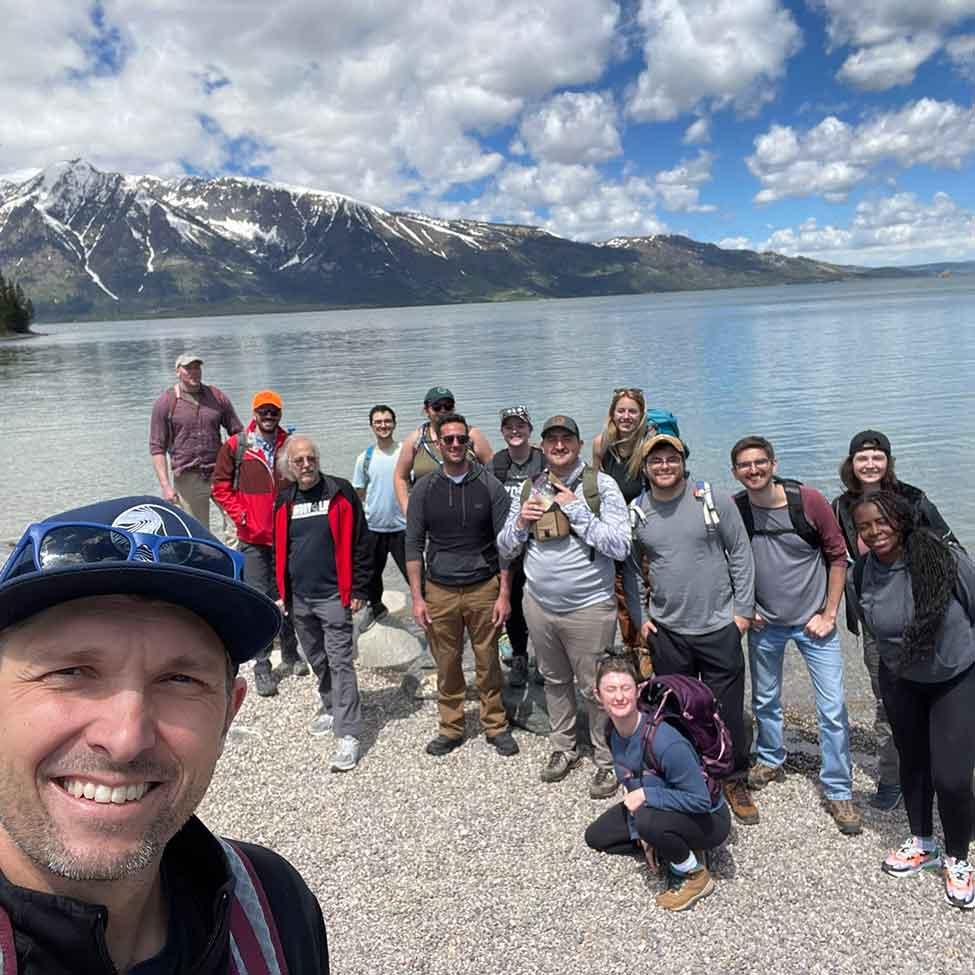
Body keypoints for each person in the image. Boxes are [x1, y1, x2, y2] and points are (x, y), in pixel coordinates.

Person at [0, 496, 329, 972]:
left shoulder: (273, 908)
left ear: (226, 716)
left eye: (180, 681)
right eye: (72, 672)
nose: (125, 738)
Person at [730, 436, 861, 835]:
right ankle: (770, 757)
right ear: (735, 471)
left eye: (760, 462)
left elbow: (838, 556)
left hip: (812, 624)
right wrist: (744, 607)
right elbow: (729, 559)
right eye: (745, 465)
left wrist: (830, 612)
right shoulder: (737, 509)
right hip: (765, 623)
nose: (753, 470)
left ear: (773, 463)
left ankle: (838, 788)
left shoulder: (809, 501)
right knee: (766, 699)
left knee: (833, 708)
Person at [852, 490, 975, 910]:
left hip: (954, 675)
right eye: (865, 526)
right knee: (914, 764)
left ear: (900, 520)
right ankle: (923, 841)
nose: (874, 532)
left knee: (954, 777)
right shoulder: (863, 570)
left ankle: (959, 856)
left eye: (881, 522)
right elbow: (868, 624)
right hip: (900, 678)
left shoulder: (943, 558)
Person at [497, 415, 630, 798]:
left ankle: (607, 760)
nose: (558, 446)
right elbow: (505, 548)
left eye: (565, 439)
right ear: (543, 445)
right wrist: (521, 522)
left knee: (595, 688)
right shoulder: (529, 488)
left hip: (589, 606)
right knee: (554, 681)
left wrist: (577, 512)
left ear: (577, 443)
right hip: (538, 605)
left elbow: (620, 545)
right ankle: (564, 748)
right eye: (552, 439)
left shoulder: (600, 486)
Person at [631, 434, 760, 825]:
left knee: (726, 711)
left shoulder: (711, 499)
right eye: (656, 461)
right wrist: (642, 621)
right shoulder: (637, 510)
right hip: (668, 630)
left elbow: (739, 552)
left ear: (684, 462)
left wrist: (743, 613)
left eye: (672, 459)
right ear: (645, 468)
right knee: (676, 711)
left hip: (720, 625)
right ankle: (690, 778)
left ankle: (734, 777)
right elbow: (633, 568)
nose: (664, 466)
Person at [833, 429, 961, 811]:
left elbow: (952, 550)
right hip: (875, 619)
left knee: (943, 692)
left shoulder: (914, 498)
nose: (870, 464)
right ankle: (894, 777)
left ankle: (946, 773)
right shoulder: (841, 506)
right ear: (851, 463)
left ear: (888, 461)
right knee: (887, 700)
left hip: (926, 614)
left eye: (877, 456)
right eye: (862, 457)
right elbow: (832, 556)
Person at [405, 412, 519, 758]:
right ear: (438, 444)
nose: (456, 445)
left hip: (483, 586)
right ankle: (451, 726)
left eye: (461, 439)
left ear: (469, 444)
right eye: (449, 439)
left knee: (488, 661)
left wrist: (503, 594)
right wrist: (417, 597)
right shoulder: (424, 488)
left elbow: (506, 545)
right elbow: (412, 544)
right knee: (447, 661)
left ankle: (495, 725)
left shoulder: (489, 486)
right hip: (439, 589)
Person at [585, 655, 731, 911]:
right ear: (598, 696)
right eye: (610, 690)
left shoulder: (665, 741)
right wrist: (643, 834)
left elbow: (700, 799)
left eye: (625, 688)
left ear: (638, 690)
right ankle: (670, 843)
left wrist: (646, 799)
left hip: (709, 817)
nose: (619, 697)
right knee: (597, 837)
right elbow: (632, 780)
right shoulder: (612, 731)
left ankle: (694, 874)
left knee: (648, 822)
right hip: (664, 805)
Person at [273, 436, 371, 772]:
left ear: (318, 460)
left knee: (341, 661)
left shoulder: (339, 492)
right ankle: (331, 706)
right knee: (315, 656)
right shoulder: (285, 499)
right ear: (290, 466)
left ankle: (349, 733)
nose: (305, 465)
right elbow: (280, 548)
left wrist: (360, 588)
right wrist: (281, 593)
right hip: (299, 598)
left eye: (310, 458)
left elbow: (361, 540)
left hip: (334, 595)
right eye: (298, 460)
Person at [211, 388, 305, 698]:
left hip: (286, 534)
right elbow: (220, 487)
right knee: (259, 598)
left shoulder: (290, 444)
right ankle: (262, 664)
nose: (268, 416)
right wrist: (241, 516)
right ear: (254, 413)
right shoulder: (236, 446)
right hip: (252, 538)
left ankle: (291, 653)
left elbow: (306, 480)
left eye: (273, 411)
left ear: (280, 414)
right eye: (263, 411)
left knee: (287, 593)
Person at [148, 352, 243, 534]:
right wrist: (166, 486)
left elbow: (237, 433)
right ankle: (208, 561)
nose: (194, 372)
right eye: (188, 368)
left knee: (237, 525)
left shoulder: (217, 397)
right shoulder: (165, 403)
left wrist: (242, 469)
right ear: (178, 372)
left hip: (221, 473)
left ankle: (236, 561)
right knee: (198, 533)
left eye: (197, 367)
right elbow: (157, 447)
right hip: (188, 478)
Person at [490, 406, 545, 686]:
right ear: (502, 432)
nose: (515, 431)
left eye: (520, 426)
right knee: (511, 603)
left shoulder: (542, 459)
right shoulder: (497, 464)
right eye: (509, 427)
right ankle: (520, 658)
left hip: (539, 545)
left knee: (540, 605)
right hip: (508, 546)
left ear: (529, 430)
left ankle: (544, 661)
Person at [592, 387, 649, 650]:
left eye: (632, 411)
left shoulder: (649, 444)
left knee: (648, 589)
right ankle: (632, 649)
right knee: (622, 594)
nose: (626, 416)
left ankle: (653, 646)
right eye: (621, 410)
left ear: (641, 415)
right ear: (612, 413)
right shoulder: (601, 444)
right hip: (616, 531)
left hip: (646, 530)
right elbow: (594, 486)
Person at [352, 405, 409, 631]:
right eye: (378, 422)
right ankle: (375, 608)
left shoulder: (405, 452)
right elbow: (359, 493)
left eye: (387, 421)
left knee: (415, 574)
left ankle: (431, 613)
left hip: (403, 527)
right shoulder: (364, 458)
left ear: (394, 423)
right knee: (371, 575)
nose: (383, 425)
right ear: (372, 426)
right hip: (374, 527)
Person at [394, 386, 493, 514]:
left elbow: (492, 469)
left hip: (469, 512)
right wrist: (407, 510)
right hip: (428, 517)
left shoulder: (471, 435)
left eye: (448, 406)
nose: (443, 410)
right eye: (436, 407)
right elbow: (400, 477)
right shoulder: (416, 439)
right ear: (426, 410)